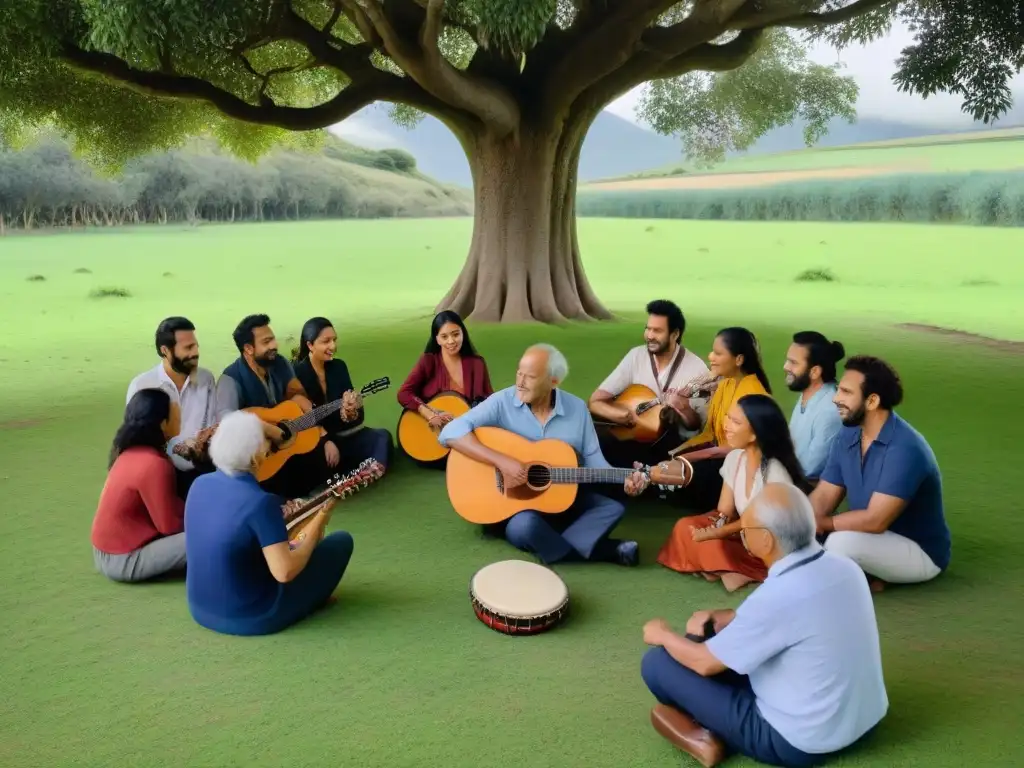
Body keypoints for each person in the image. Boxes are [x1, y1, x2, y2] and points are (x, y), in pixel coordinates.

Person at [641, 483, 887, 768]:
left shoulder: (779, 595)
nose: (742, 537)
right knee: (707, 639)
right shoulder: (846, 568)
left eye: (745, 531)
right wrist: (734, 619)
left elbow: (704, 663)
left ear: (766, 541)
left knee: (659, 664)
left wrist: (663, 635)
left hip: (797, 743)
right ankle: (706, 724)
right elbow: (803, 617)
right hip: (866, 722)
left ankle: (705, 737)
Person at [438, 344, 648, 566]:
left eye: (530, 377)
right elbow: (449, 432)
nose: (520, 382)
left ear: (553, 381)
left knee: (613, 508)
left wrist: (624, 478)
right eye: (519, 373)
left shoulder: (577, 409)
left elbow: (594, 460)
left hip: (563, 499)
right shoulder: (502, 402)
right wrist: (502, 461)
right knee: (526, 526)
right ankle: (606, 551)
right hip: (515, 510)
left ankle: (556, 547)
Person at [184, 410, 355, 636]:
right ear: (256, 458)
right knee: (341, 541)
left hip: (199, 608)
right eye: (265, 443)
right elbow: (285, 572)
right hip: (253, 616)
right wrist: (322, 515)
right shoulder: (260, 503)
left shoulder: (199, 484)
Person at [811, 355, 951, 590]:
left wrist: (822, 524)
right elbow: (825, 493)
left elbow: (876, 520)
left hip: (920, 552)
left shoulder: (905, 448)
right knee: (798, 530)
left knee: (839, 543)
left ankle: (857, 580)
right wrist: (805, 521)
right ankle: (866, 576)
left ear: (872, 401)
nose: (836, 398)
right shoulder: (848, 434)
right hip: (870, 537)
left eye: (846, 392)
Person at [657, 395, 811, 592]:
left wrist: (717, 533)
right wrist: (713, 526)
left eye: (735, 422)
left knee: (717, 544)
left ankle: (725, 568)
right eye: (728, 418)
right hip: (743, 534)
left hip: (770, 542)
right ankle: (723, 568)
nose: (726, 425)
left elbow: (765, 522)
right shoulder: (734, 458)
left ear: (755, 434)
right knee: (685, 527)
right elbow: (725, 510)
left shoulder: (775, 470)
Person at [215, 314, 333, 499]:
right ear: (248, 348)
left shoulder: (280, 363)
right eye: (267, 341)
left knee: (326, 454)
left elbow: (297, 395)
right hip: (257, 460)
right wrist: (270, 430)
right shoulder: (230, 380)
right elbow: (227, 423)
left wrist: (317, 424)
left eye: (273, 339)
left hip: (287, 448)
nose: (274, 345)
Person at [588, 300, 711, 467]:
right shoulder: (636, 356)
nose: (650, 335)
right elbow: (595, 401)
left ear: (675, 334)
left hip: (673, 448)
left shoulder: (696, 369)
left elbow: (699, 427)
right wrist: (620, 416)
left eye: (657, 331)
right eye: (648, 328)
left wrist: (683, 408)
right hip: (633, 440)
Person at [663, 327, 773, 510]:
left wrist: (686, 458)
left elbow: (735, 450)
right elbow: (710, 433)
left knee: (691, 472)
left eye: (718, 353)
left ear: (738, 359)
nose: (710, 356)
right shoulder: (727, 382)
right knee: (668, 454)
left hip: (741, 463)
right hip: (720, 452)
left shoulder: (752, 394)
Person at [91, 388, 188, 582]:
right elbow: (169, 526)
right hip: (123, 559)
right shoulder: (154, 464)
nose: (180, 414)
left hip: (106, 552)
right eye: (175, 411)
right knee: (211, 534)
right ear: (163, 424)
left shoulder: (128, 451)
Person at [126, 316, 217, 497]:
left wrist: (204, 443)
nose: (196, 352)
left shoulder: (206, 379)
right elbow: (137, 442)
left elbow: (212, 423)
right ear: (165, 350)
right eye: (188, 348)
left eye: (196, 346)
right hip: (160, 473)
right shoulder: (142, 385)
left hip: (202, 469)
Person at [292, 316, 394, 475]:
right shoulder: (296, 374)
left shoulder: (339, 367)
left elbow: (354, 418)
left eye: (334, 340)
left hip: (343, 438)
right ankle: (354, 469)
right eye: (326, 341)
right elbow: (297, 418)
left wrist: (350, 411)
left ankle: (369, 472)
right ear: (310, 345)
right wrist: (325, 441)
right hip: (315, 443)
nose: (333, 346)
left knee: (382, 437)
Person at [397, 310, 494, 430]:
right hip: (433, 431)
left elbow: (490, 401)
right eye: (444, 336)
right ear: (437, 339)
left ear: (463, 333)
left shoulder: (477, 363)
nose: (451, 341)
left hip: (466, 428)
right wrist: (429, 414)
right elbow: (404, 393)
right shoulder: (428, 361)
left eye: (455, 334)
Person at [784, 331, 845, 481]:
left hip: (806, 492)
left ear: (815, 372)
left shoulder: (829, 410)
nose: (786, 366)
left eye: (794, 362)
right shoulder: (809, 393)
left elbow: (810, 469)